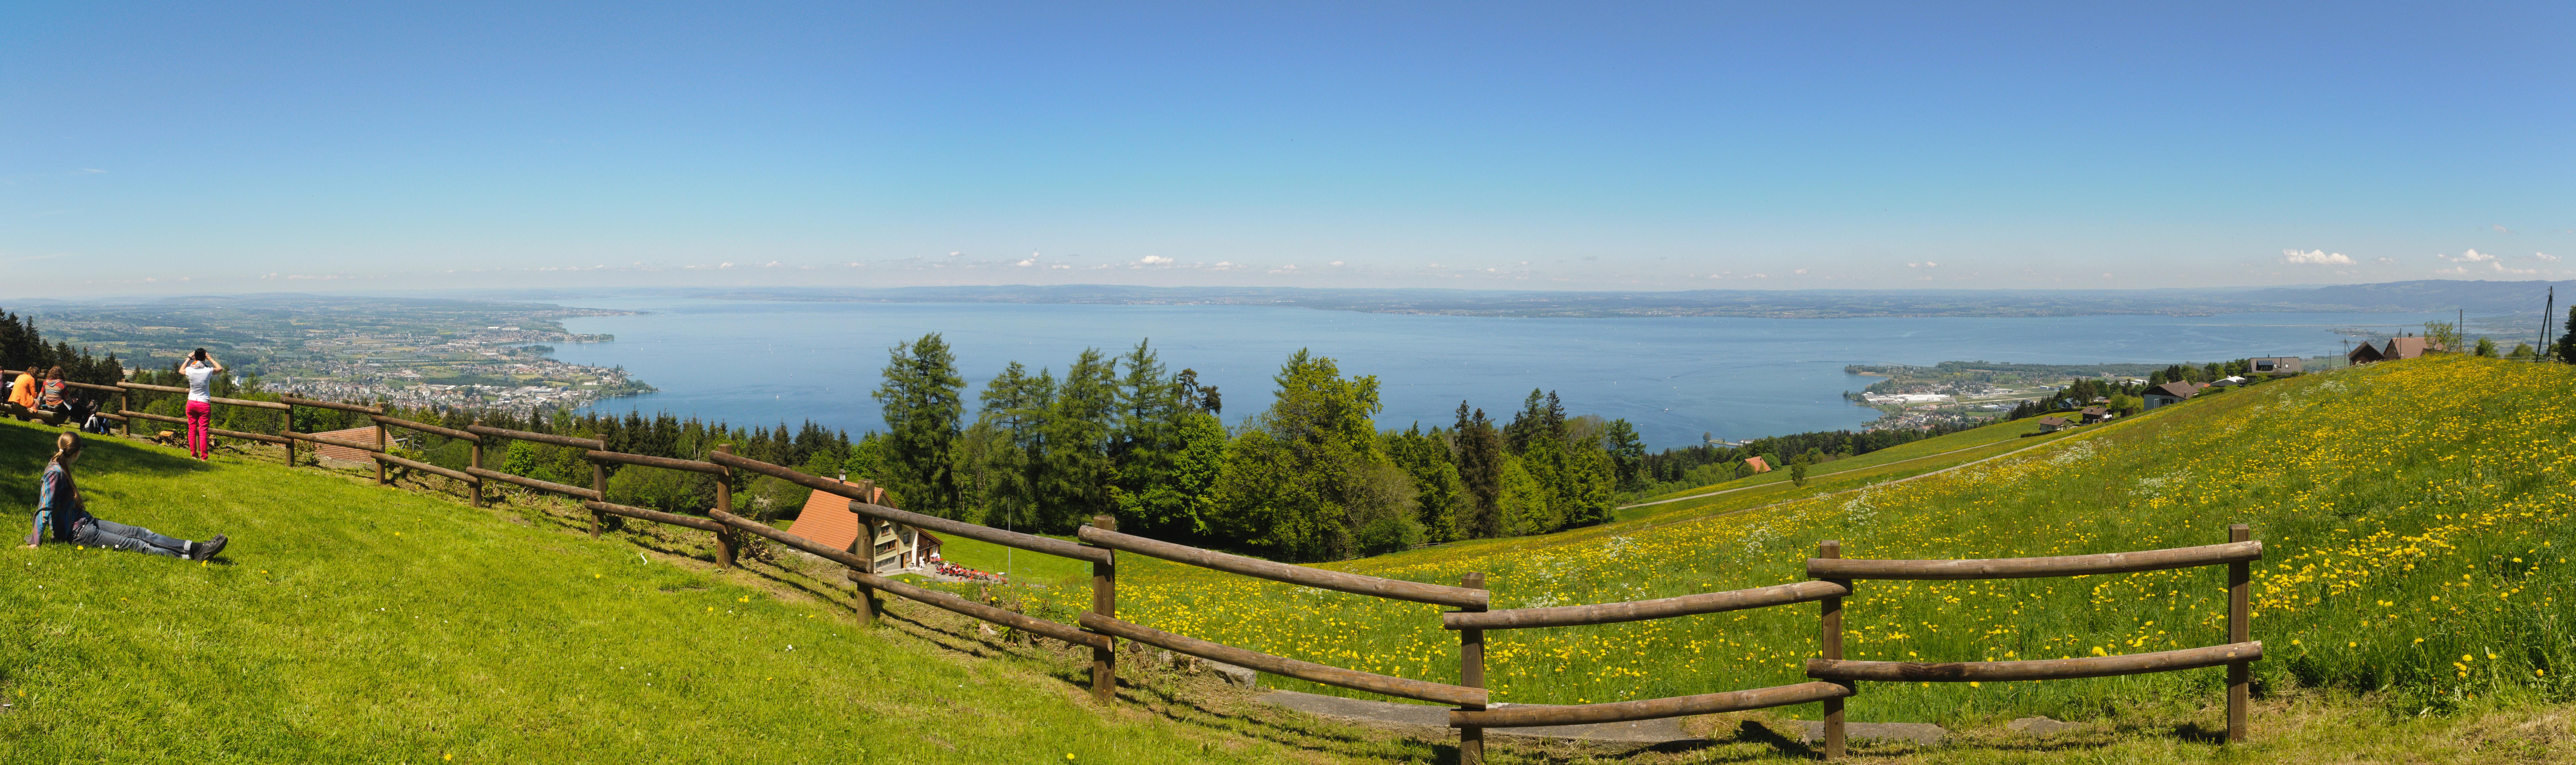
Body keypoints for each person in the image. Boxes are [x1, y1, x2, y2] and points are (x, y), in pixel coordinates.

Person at [22, 432, 228, 560]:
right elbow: (45, 507)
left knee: (140, 532)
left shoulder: (61, 467)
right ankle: (190, 556)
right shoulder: (54, 473)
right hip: (79, 534)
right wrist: (36, 541)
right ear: (75, 453)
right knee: (138, 545)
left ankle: (196, 548)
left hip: (86, 522)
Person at [181, 349, 223, 460]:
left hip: (191, 403)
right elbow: (220, 369)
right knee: (203, 431)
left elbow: (181, 371)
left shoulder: (190, 370)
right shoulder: (208, 371)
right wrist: (210, 358)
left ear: (194, 357)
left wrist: (188, 358)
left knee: (192, 430)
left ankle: (194, 455)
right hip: (204, 404)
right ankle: (204, 458)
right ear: (204, 357)